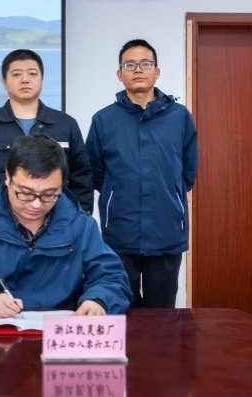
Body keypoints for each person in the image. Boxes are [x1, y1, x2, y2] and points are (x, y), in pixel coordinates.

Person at [0, 134, 132, 316]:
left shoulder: (81, 226)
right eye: (25, 193)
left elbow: (113, 278)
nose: (36, 204)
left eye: (49, 194)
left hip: (58, 334)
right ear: (8, 177)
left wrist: (98, 300)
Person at [86, 39, 198, 308]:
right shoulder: (104, 119)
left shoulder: (180, 117)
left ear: (157, 72)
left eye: (145, 64)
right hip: (120, 232)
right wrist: (117, 193)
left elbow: (188, 171)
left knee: (162, 315)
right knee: (122, 309)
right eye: (130, 65)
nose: (138, 69)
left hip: (166, 231)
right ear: (119, 74)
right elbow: (95, 172)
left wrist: (168, 192)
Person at [0, 49, 93, 213]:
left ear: (41, 79)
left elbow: (82, 178)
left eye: (32, 74)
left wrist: (78, 218)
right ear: (4, 82)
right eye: (16, 74)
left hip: (57, 219)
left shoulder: (65, 124)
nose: (25, 80)